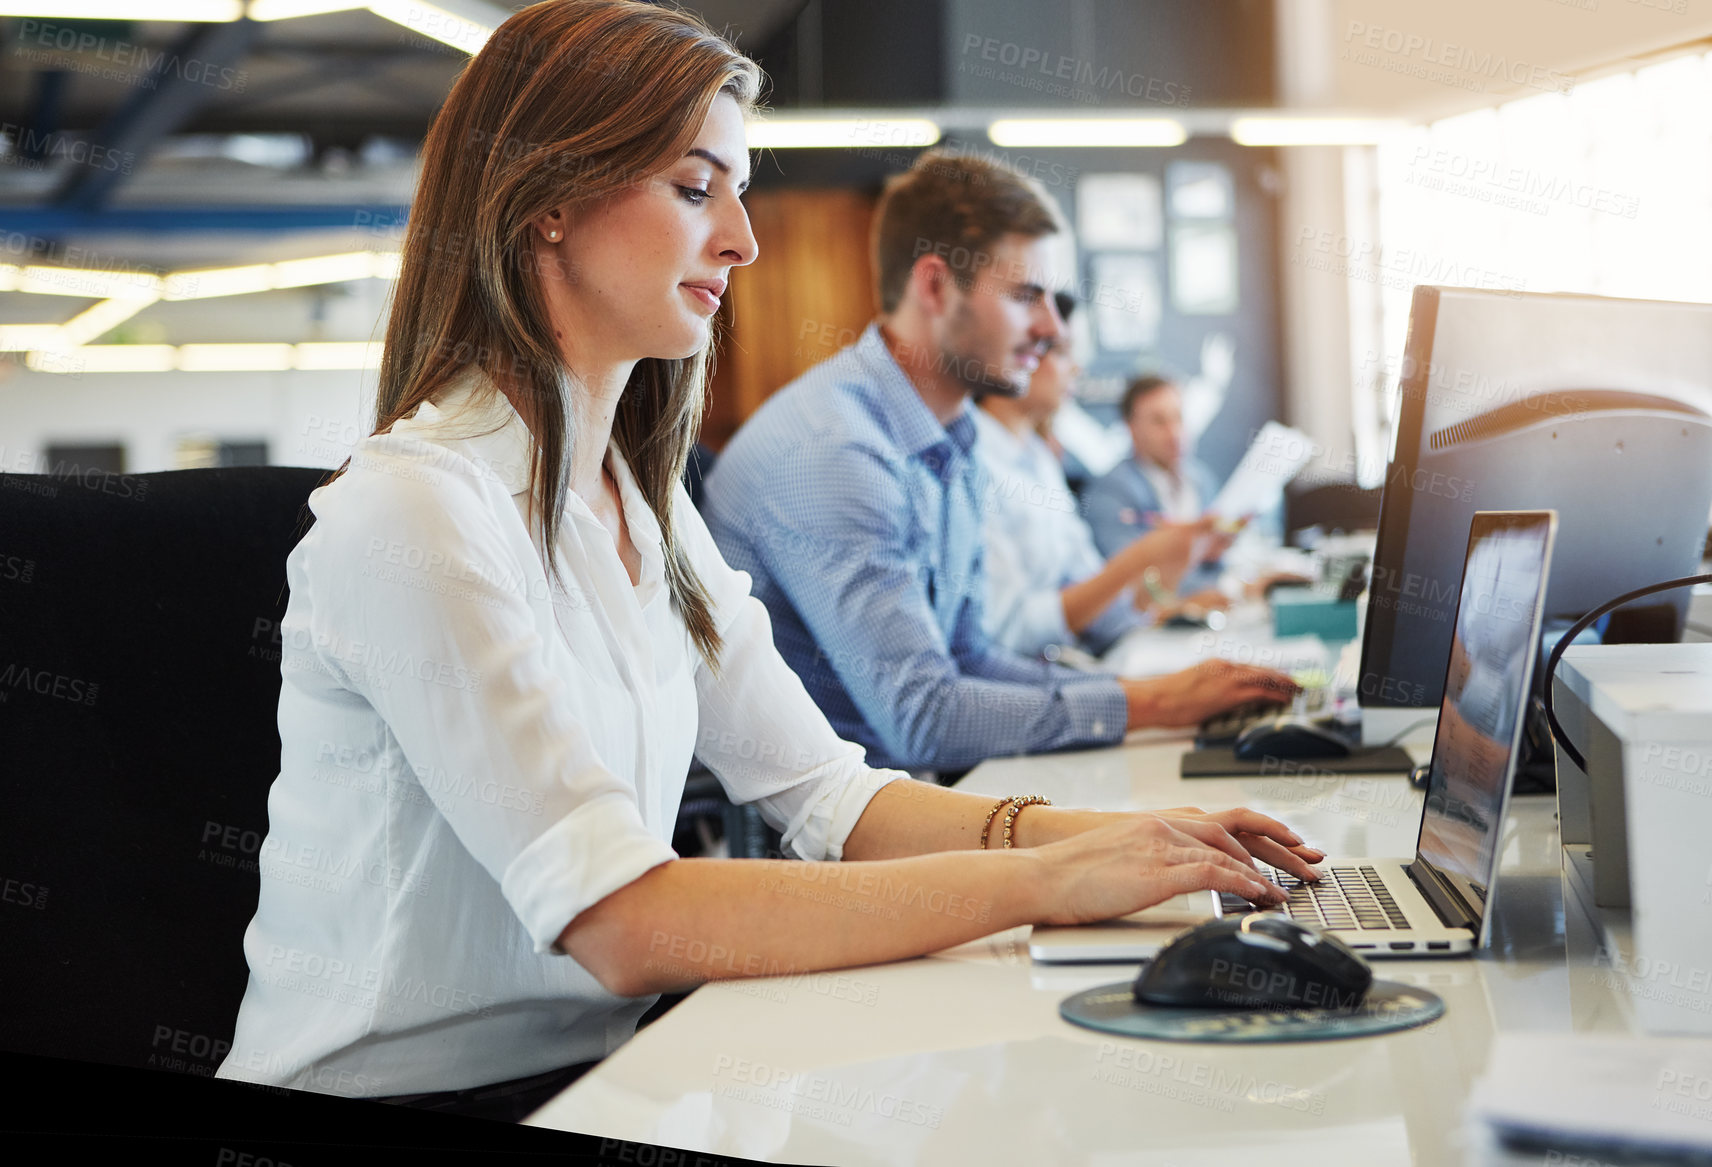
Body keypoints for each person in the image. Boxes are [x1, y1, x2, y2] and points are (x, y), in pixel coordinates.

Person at [215, 1, 1322, 1121]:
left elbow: (831, 798)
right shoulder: (416, 512)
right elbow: (627, 920)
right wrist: (1044, 881)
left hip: (600, 1075)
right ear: (546, 199)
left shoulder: (643, 506)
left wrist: (1136, 842)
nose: (742, 239)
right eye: (696, 189)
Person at [702, 148, 1298, 774]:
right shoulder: (839, 454)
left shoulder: (948, 435)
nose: (1051, 330)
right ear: (935, 285)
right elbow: (924, 719)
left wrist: (1147, 696)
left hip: (908, 793)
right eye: (1026, 296)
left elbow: (971, 656)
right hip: (827, 841)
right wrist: (1154, 702)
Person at [972, 293, 1212, 658]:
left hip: (1091, 656)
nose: (1077, 369)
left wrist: (1171, 600)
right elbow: (1011, 631)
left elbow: (1093, 587)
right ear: (1019, 353)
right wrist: (1139, 560)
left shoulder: (1039, 459)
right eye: (1064, 352)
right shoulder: (976, 464)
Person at [1082, 373, 1233, 606]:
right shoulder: (1109, 492)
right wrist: (1210, 588)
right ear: (1131, 428)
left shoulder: (1201, 479)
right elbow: (1128, 578)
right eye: (1159, 422)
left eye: (1178, 418)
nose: (1174, 433)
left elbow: (1218, 563)